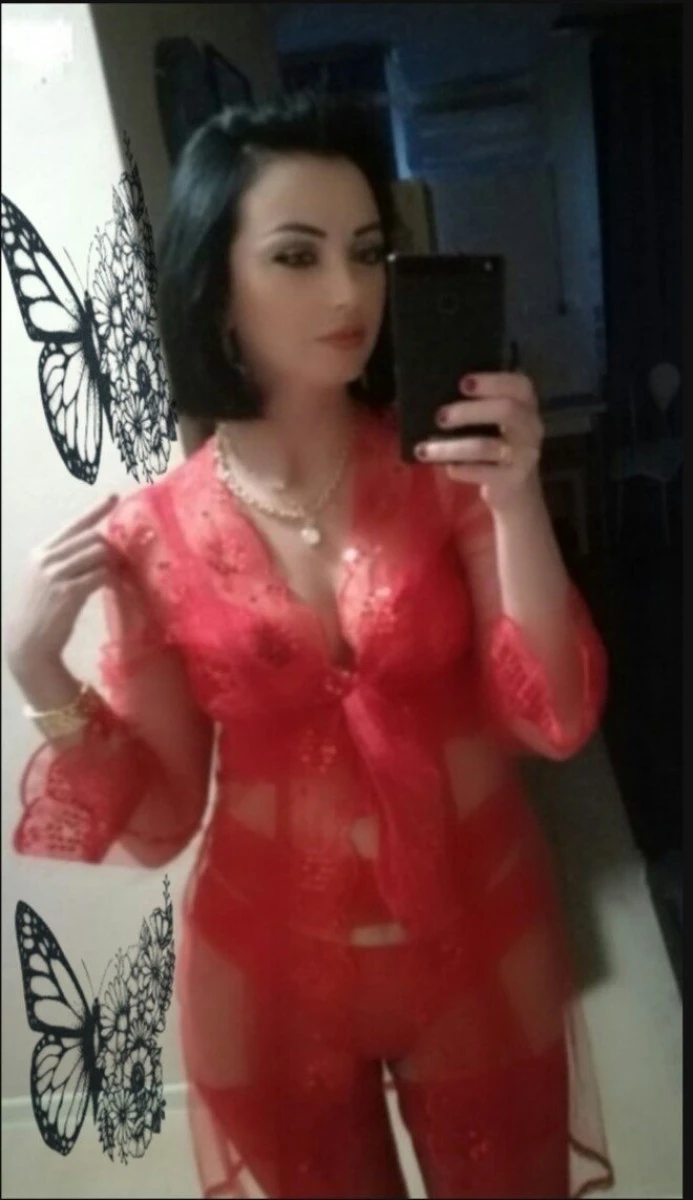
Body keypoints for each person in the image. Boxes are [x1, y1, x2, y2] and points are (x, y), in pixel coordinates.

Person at [5, 92, 614, 1199]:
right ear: (215, 286)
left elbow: (556, 715)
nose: (349, 293)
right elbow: (162, 813)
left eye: (367, 252)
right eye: (297, 255)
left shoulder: (447, 479)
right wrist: (36, 666)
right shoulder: (153, 537)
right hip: (268, 970)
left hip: (479, 931)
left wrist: (519, 498)